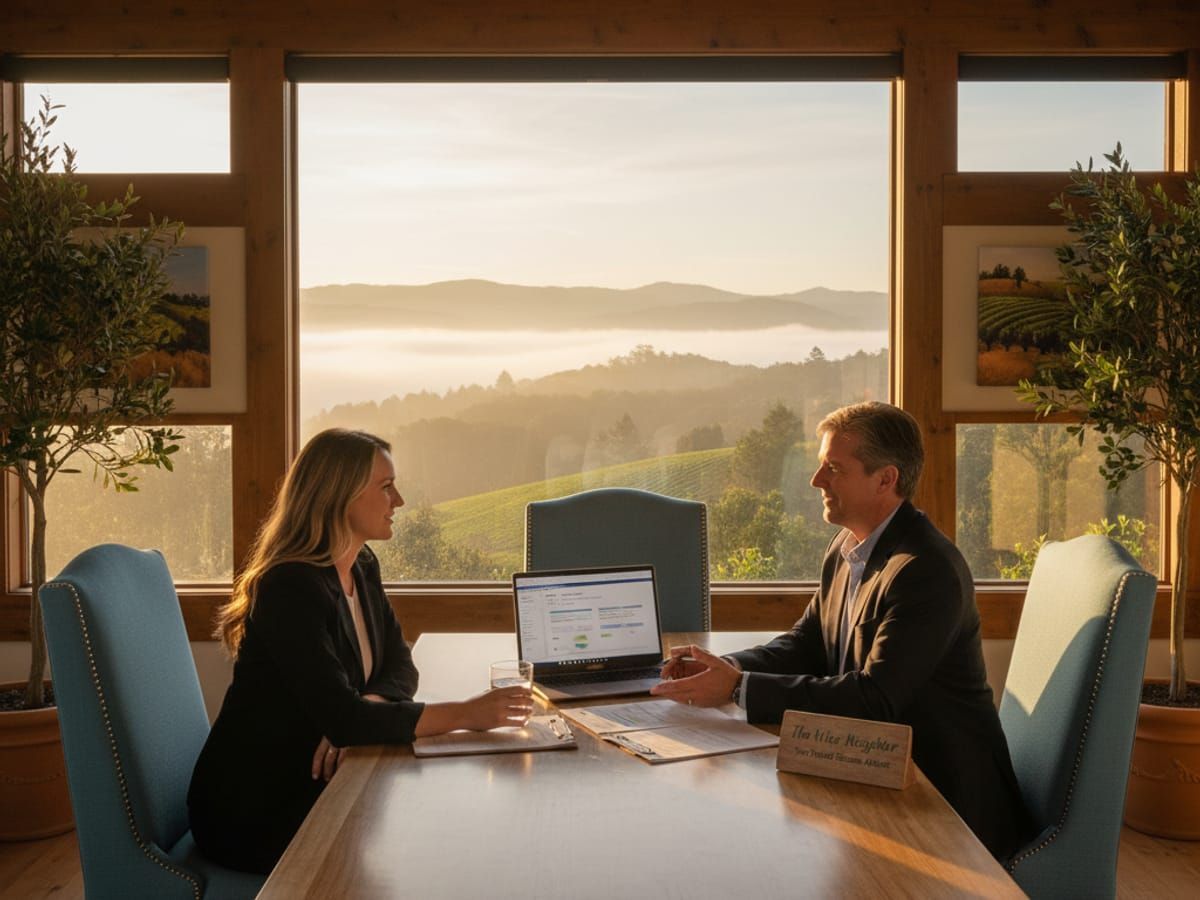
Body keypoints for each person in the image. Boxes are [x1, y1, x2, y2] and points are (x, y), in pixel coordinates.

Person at [652, 401, 1031, 861]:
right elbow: (806, 644)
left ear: (886, 479)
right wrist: (725, 667)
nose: (816, 481)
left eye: (834, 468)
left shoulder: (925, 570)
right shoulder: (848, 545)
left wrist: (737, 689)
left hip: (942, 801)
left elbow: (876, 698)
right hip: (868, 770)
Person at [188, 428, 532, 873]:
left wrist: (368, 706)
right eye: (386, 487)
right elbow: (345, 721)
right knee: (438, 843)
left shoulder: (361, 565)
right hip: (256, 806)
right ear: (340, 495)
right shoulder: (289, 587)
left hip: (327, 778)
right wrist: (469, 714)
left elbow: (399, 665)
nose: (399, 501)